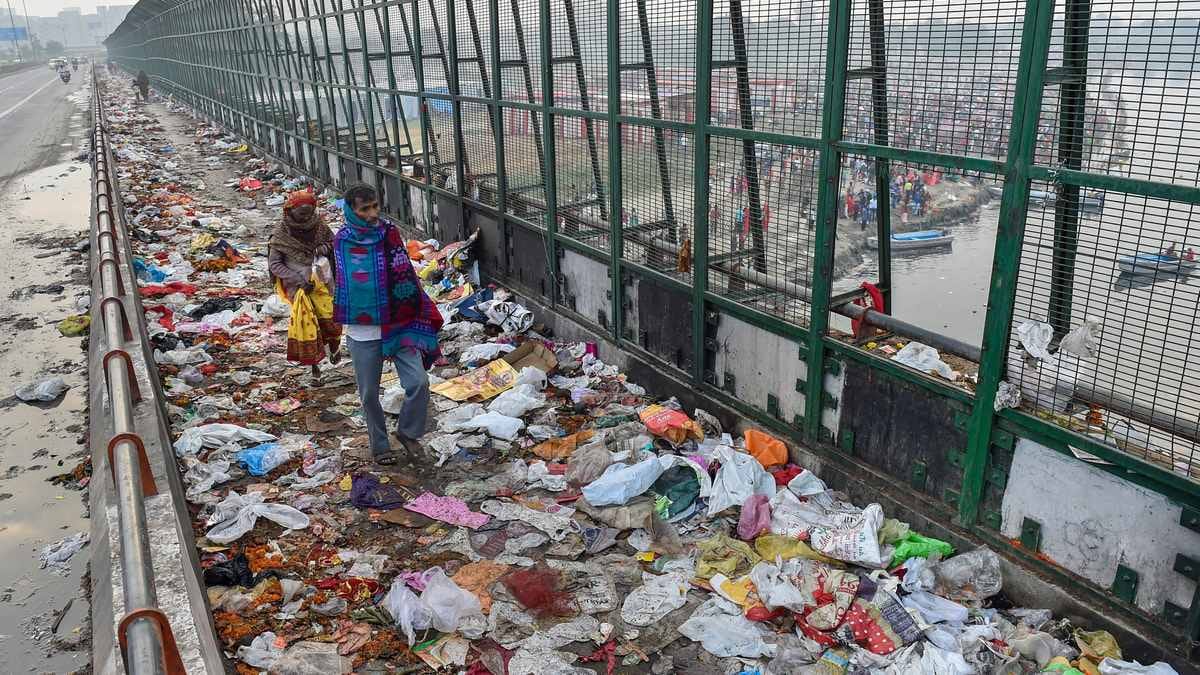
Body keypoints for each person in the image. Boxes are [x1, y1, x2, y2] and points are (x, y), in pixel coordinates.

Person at [333, 183, 443, 465]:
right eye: (364, 209)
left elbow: (404, 272)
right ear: (352, 211)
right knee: (369, 394)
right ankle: (380, 446)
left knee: (418, 383)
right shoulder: (343, 240)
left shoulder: (389, 233)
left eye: (375, 207)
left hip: (399, 322)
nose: (372, 214)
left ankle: (407, 432)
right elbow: (347, 284)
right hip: (363, 329)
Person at [269, 190, 341, 379]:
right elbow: (275, 264)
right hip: (298, 287)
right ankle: (315, 369)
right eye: (301, 214)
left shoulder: (319, 226)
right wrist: (298, 280)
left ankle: (334, 347)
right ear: (290, 211)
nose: (306, 218)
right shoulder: (281, 234)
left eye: (309, 213)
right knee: (308, 326)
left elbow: (333, 243)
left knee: (331, 322)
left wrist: (322, 248)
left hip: (323, 283)